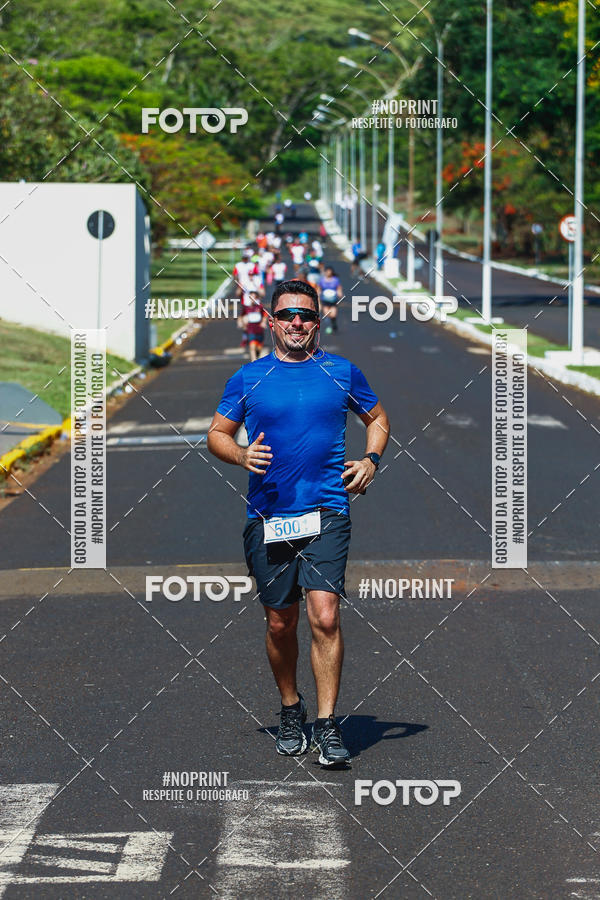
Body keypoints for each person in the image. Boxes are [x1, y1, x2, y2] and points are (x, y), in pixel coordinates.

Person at [207, 279, 390, 767]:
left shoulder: (342, 372)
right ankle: (292, 707)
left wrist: (371, 459)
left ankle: (328, 726)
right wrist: (241, 454)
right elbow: (217, 435)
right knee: (280, 621)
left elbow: (378, 419)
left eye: (306, 315)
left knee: (325, 616)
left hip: (327, 511)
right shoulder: (249, 378)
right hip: (268, 517)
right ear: (271, 321)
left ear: (317, 321)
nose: (296, 323)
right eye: (287, 314)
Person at [318, 266, 343, 334]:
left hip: (333, 300)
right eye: (327, 272)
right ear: (325, 272)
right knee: (327, 314)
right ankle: (328, 327)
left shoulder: (335, 280)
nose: (329, 273)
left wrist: (340, 293)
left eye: (330, 272)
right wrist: (318, 296)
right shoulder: (322, 280)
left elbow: (338, 287)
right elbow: (319, 288)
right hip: (325, 299)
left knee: (333, 314)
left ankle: (334, 325)